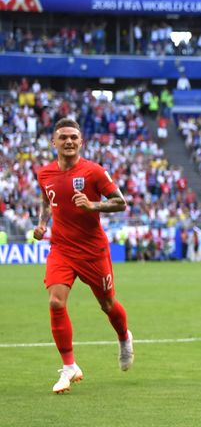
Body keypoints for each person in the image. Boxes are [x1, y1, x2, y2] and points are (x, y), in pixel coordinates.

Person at [34, 118, 134, 394]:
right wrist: (43, 223)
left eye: (73, 137)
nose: (68, 141)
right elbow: (46, 199)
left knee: (107, 304)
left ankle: (124, 337)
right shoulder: (44, 173)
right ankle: (69, 367)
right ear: (54, 142)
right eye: (63, 137)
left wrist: (92, 205)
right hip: (62, 249)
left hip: (93, 251)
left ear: (81, 142)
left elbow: (120, 202)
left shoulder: (94, 172)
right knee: (55, 302)